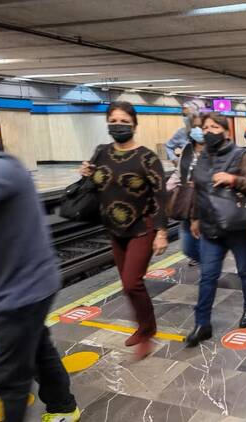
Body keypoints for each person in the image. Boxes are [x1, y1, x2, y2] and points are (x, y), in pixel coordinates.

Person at [0, 100, 81, 422]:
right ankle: (64, 406)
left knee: (9, 375)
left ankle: (57, 407)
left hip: (22, 290)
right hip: (9, 286)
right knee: (37, 350)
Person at [79, 101, 168, 360]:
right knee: (127, 285)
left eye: (124, 122)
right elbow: (93, 187)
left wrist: (161, 232)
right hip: (114, 229)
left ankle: (147, 330)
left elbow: (161, 195)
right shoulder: (101, 152)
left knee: (132, 282)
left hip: (142, 227)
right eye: (114, 121)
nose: (118, 126)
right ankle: (143, 326)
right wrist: (86, 174)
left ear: (135, 125)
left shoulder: (147, 157)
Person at [186, 113, 246, 347]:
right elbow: (198, 190)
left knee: (245, 270)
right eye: (205, 127)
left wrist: (233, 179)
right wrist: (194, 218)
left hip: (237, 226)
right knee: (208, 276)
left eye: (213, 127)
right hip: (210, 227)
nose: (208, 131)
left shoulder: (241, 156)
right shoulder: (201, 157)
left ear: (226, 132)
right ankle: (202, 324)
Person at [167, 113, 204, 266]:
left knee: (206, 244)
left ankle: (209, 267)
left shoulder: (216, 151)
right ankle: (205, 261)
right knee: (188, 247)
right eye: (195, 126)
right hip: (187, 202)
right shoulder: (187, 148)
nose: (199, 130)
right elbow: (179, 173)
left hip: (206, 205)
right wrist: (165, 189)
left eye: (202, 126)